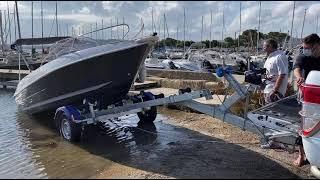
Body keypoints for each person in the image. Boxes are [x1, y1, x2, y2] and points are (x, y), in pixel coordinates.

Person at [293, 33, 320, 167]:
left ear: (317, 46)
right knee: (304, 125)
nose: (305, 50)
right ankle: (301, 155)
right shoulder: (304, 56)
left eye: (308, 48)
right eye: (304, 48)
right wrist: (299, 77)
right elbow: (296, 68)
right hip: (307, 97)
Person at [260, 39, 289, 149]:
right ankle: (273, 140)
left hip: (274, 92)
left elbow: (282, 74)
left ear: (271, 46)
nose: (263, 48)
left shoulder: (280, 56)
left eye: (265, 46)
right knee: (268, 117)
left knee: (275, 116)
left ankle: (278, 141)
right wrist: (261, 87)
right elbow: (267, 75)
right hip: (267, 90)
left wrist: (275, 90)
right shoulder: (269, 57)